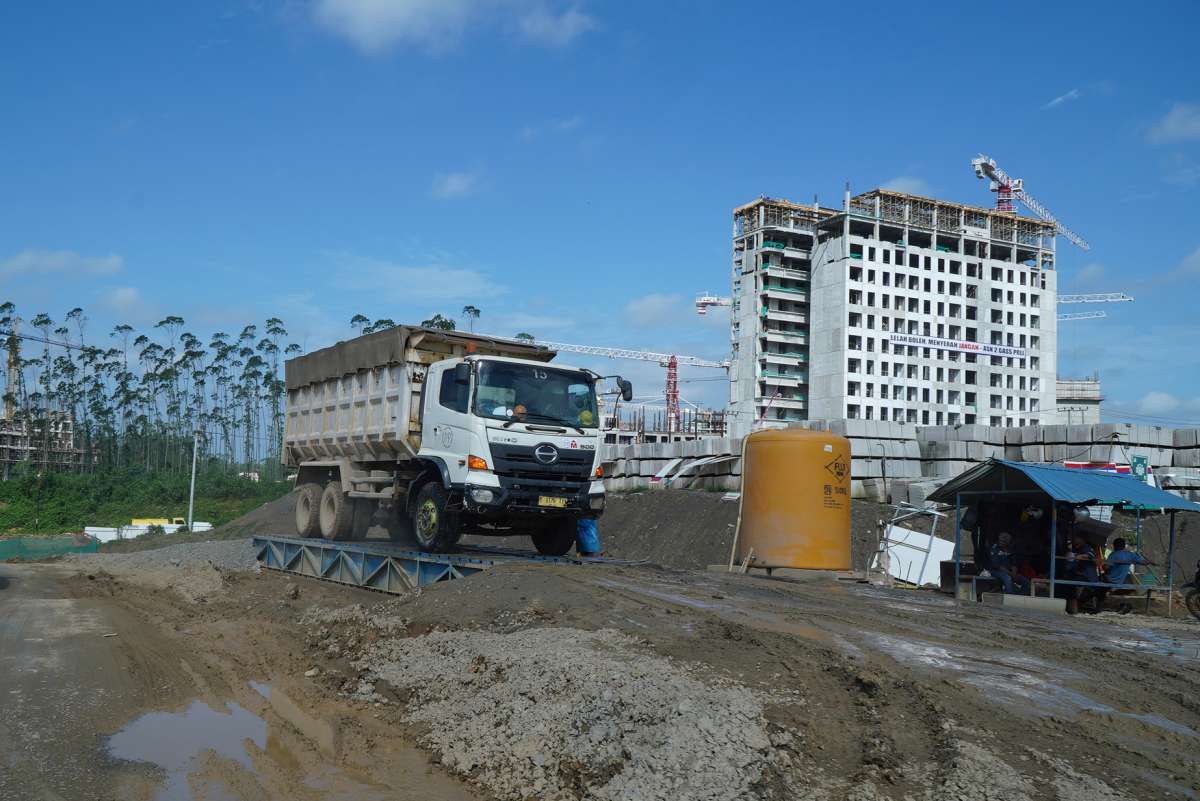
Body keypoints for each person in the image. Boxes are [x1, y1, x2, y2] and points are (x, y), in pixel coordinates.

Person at [1101, 538, 1155, 614]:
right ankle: (1121, 604)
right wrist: (1150, 561)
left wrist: (1103, 564)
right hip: (1120, 581)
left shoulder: (1113, 555)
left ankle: (1099, 604)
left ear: (1114, 546)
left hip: (1110, 579)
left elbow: (1106, 567)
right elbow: (1144, 562)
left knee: (1097, 583)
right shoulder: (1130, 554)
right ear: (1124, 546)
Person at [1064, 533, 1099, 614]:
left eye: (1076, 538)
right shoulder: (1076, 549)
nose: (1074, 539)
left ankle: (1074, 611)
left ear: (1082, 539)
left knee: (1071, 587)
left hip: (1087, 577)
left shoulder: (1087, 548)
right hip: (1080, 575)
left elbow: (1090, 555)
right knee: (1067, 584)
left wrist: (1077, 556)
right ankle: (1071, 609)